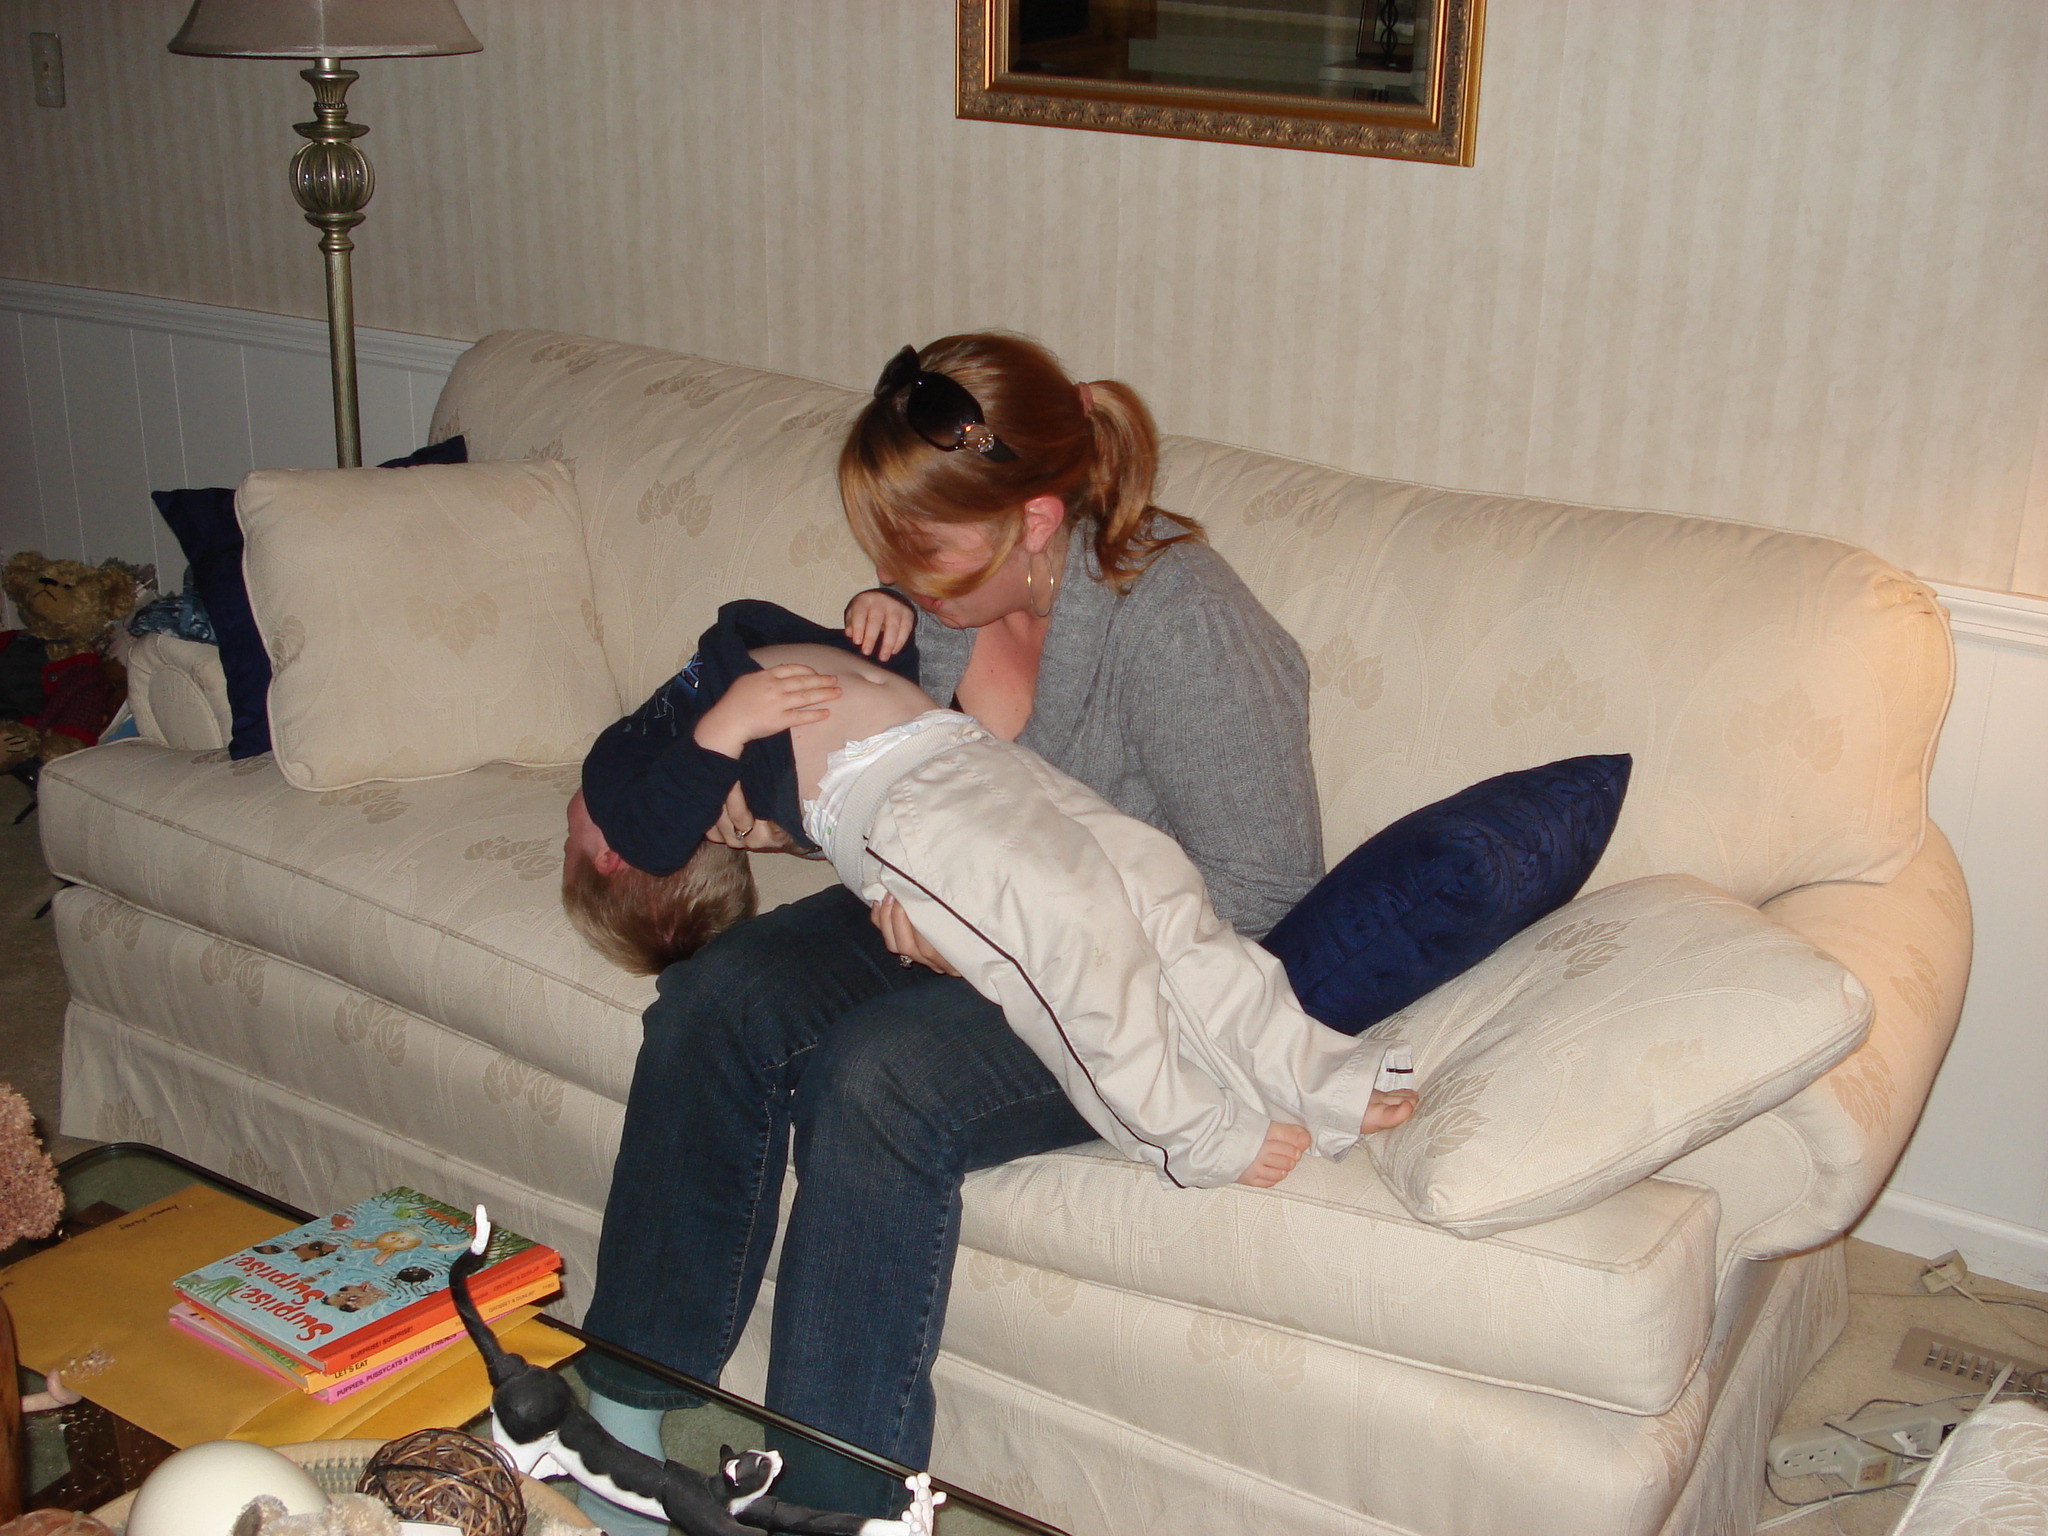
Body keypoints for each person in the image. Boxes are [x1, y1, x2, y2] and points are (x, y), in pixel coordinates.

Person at [574, 333, 1330, 1520]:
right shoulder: (939, 608)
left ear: (1035, 520)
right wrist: (788, 824)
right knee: (715, 1002)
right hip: (942, 918)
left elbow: (1268, 884)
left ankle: (837, 1505)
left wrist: (995, 930)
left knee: (875, 1078)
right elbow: (904, 793)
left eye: (924, 549)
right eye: (889, 546)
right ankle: (620, 1413)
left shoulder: (1179, 618)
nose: (899, 577)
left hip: (1116, 972)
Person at [564, 619, 1419, 1190]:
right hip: (904, 807)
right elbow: (655, 829)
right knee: (1074, 945)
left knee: (1162, 886)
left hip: (967, 755)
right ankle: (1187, 1131)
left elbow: (832, 666)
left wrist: (879, 610)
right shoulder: (653, 769)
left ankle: (1314, 1074)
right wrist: (722, 732)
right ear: (612, 854)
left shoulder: (674, 718)